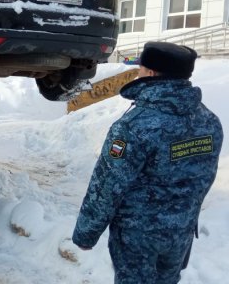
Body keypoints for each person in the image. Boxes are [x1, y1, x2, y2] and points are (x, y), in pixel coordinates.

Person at [72, 41, 223, 284]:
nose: (138, 72)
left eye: (141, 68)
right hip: (180, 235)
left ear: (151, 73)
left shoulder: (134, 126)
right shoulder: (209, 121)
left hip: (137, 238)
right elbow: (203, 179)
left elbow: (107, 185)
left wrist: (85, 234)